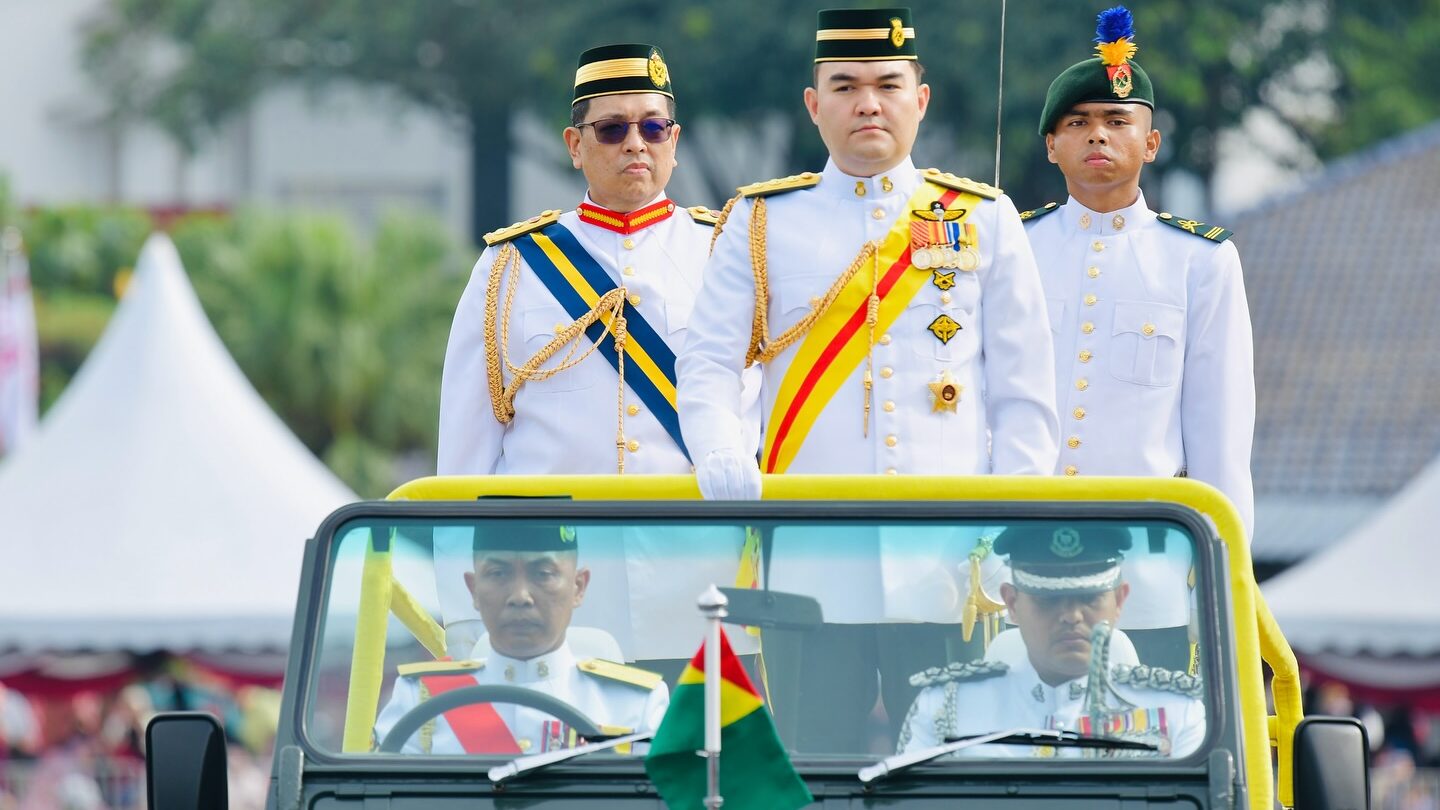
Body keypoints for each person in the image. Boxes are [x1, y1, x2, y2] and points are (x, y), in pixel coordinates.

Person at [676, 7, 1059, 751]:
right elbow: (709, 365)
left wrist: (1004, 533)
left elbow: (1024, 400)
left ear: (921, 99)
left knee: (955, 770)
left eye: (888, 84)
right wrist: (720, 451)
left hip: (950, 569)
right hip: (811, 569)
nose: (868, 103)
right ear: (814, 105)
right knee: (814, 772)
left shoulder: (983, 218)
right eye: (845, 86)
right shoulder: (760, 222)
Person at [434, 43, 760, 676]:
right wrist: (463, 609)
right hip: (553, 608)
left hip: (702, 589)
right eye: (611, 129)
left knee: (707, 773)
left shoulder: (729, 255)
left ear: (674, 139)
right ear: (575, 145)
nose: (634, 144)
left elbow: (764, 416)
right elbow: (466, 448)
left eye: (652, 127)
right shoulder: (511, 266)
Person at [1019, 7, 1255, 670]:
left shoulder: (1200, 261)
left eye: (1118, 121)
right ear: (1051, 145)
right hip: (1018, 561)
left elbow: (1221, 436)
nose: (1098, 136)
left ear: (1150, 143)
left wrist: (1227, 575)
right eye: (1078, 123)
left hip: (1146, 576)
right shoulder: (1010, 248)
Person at [897, 523, 1205, 758]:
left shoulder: (1176, 715)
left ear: (1119, 600)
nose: (1071, 615)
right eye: (1048, 600)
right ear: (1012, 603)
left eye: (1089, 599)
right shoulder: (946, 712)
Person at [374, 525, 669, 755]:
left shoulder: (637, 705)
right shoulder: (421, 699)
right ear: (473, 589)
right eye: (498, 573)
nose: (520, 597)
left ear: (579, 586)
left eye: (542, 573)